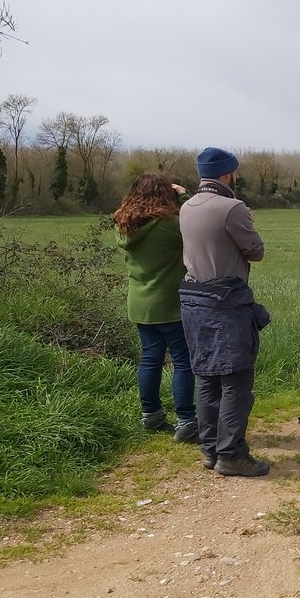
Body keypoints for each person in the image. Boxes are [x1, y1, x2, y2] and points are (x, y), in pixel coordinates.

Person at [178, 147, 272, 478]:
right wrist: (246, 219)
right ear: (228, 174)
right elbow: (256, 251)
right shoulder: (233, 208)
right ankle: (231, 455)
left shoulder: (186, 206)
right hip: (227, 302)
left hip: (193, 301)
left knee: (206, 377)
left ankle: (210, 449)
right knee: (236, 378)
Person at [113, 173, 197, 442]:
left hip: (140, 303)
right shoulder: (171, 226)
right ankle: (187, 421)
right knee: (183, 362)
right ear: (165, 194)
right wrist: (183, 194)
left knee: (151, 358)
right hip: (170, 304)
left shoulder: (126, 225)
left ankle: (151, 416)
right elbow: (198, 219)